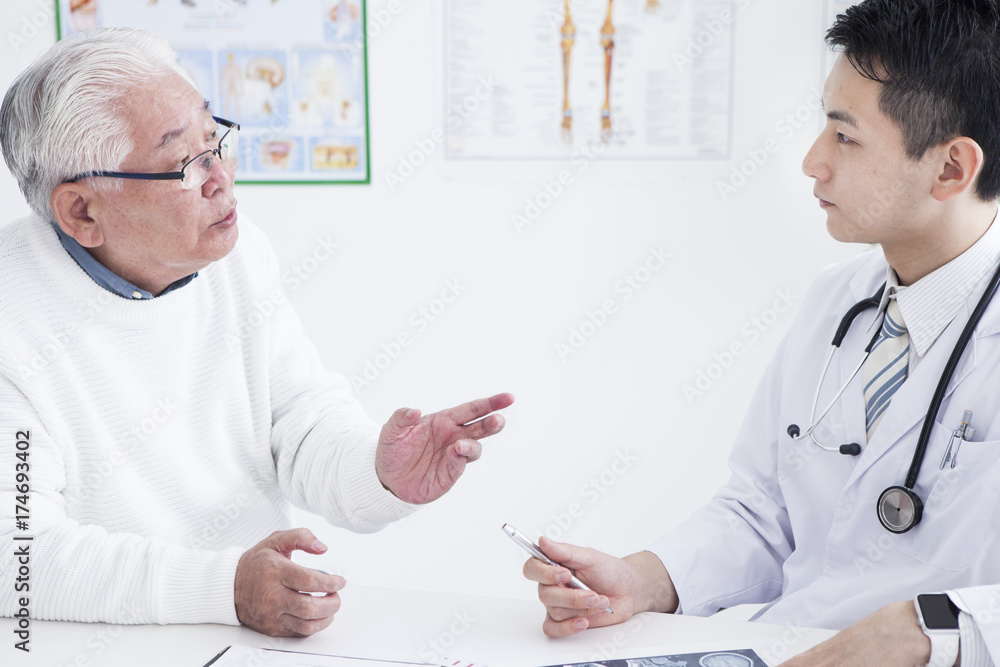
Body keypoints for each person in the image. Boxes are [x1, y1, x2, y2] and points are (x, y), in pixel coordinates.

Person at [524, 1, 1000, 665]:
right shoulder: (838, 302)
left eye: (845, 136)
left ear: (951, 168)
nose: (812, 161)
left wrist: (932, 631)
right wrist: (644, 579)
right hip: (779, 647)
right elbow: (762, 509)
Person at [0, 28, 513, 638]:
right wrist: (225, 589)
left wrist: (379, 473)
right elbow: (19, 556)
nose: (220, 177)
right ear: (82, 211)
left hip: (249, 639)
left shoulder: (235, 256)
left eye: (214, 137)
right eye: (183, 164)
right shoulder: (14, 313)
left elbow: (299, 422)